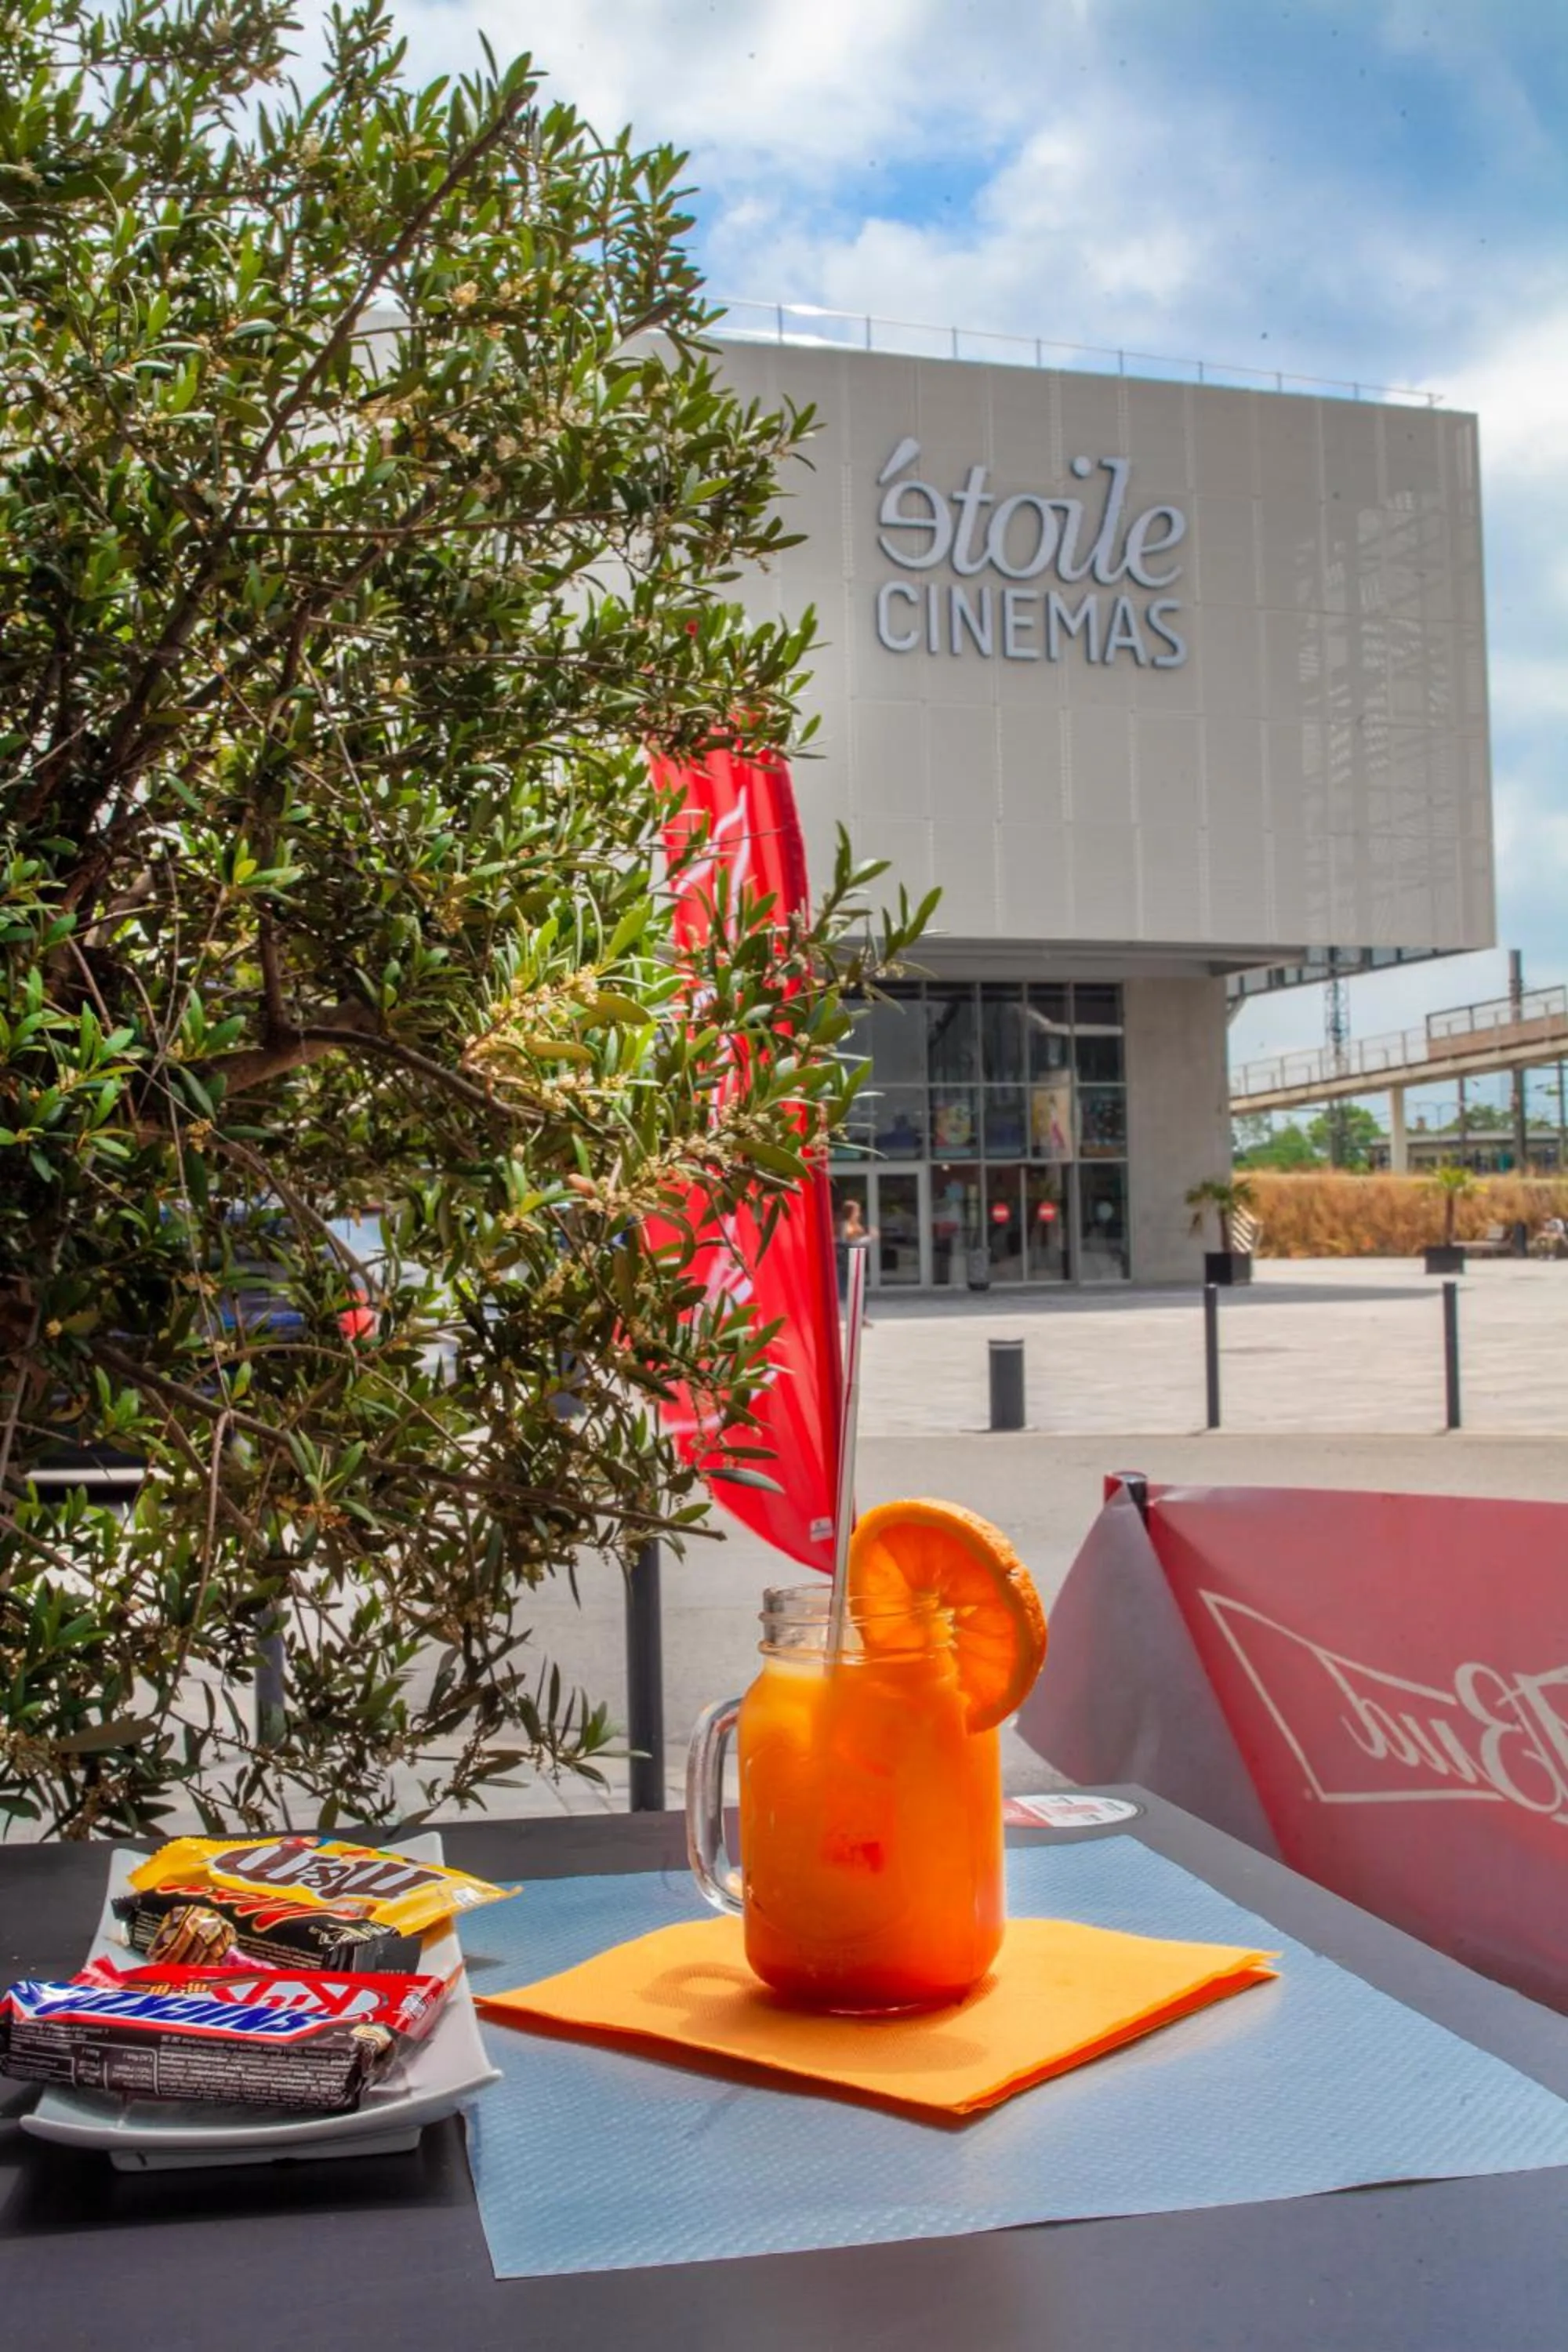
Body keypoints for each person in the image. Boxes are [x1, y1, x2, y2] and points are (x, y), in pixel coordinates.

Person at [835, 1197, 877, 1322]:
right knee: (847, 1290)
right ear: (851, 1212)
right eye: (857, 1211)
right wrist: (869, 1238)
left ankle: (861, 1316)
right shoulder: (845, 1225)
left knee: (859, 1290)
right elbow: (847, 1243)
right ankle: (855, 1316)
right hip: (848, 1261)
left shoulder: (855, 1225)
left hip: (856, 1260)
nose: (859, 1214)